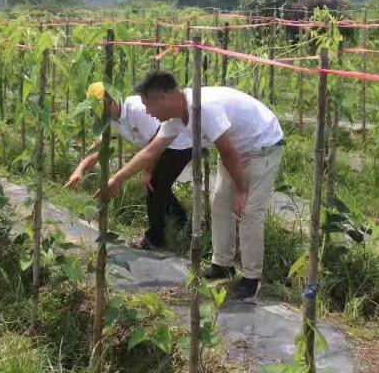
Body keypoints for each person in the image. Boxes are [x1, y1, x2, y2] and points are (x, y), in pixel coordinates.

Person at [106, 71, 283, 300]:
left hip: (262, 146)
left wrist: (241, 190)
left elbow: (227, 152)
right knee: (219, 202)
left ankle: (252, 279)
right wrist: (117, 178)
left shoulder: (203, 107)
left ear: (163, 98)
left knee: (248, 211)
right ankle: (223, 265)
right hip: (236, 150)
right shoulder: (175, 119)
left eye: (148, 106)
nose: (148, 112)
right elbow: (151, 151)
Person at [66, 82, 192, 250]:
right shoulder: (110, 119)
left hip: (178, 144)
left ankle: (155, 238)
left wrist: (148, 172)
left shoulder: (137, 109)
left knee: (153, 183)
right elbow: (99, 150)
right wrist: (79, 170)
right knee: (159, 186)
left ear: (112, 101)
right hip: (159, 146)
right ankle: (182, 220)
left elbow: (155, 140)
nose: (98, 112)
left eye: (102, 105)